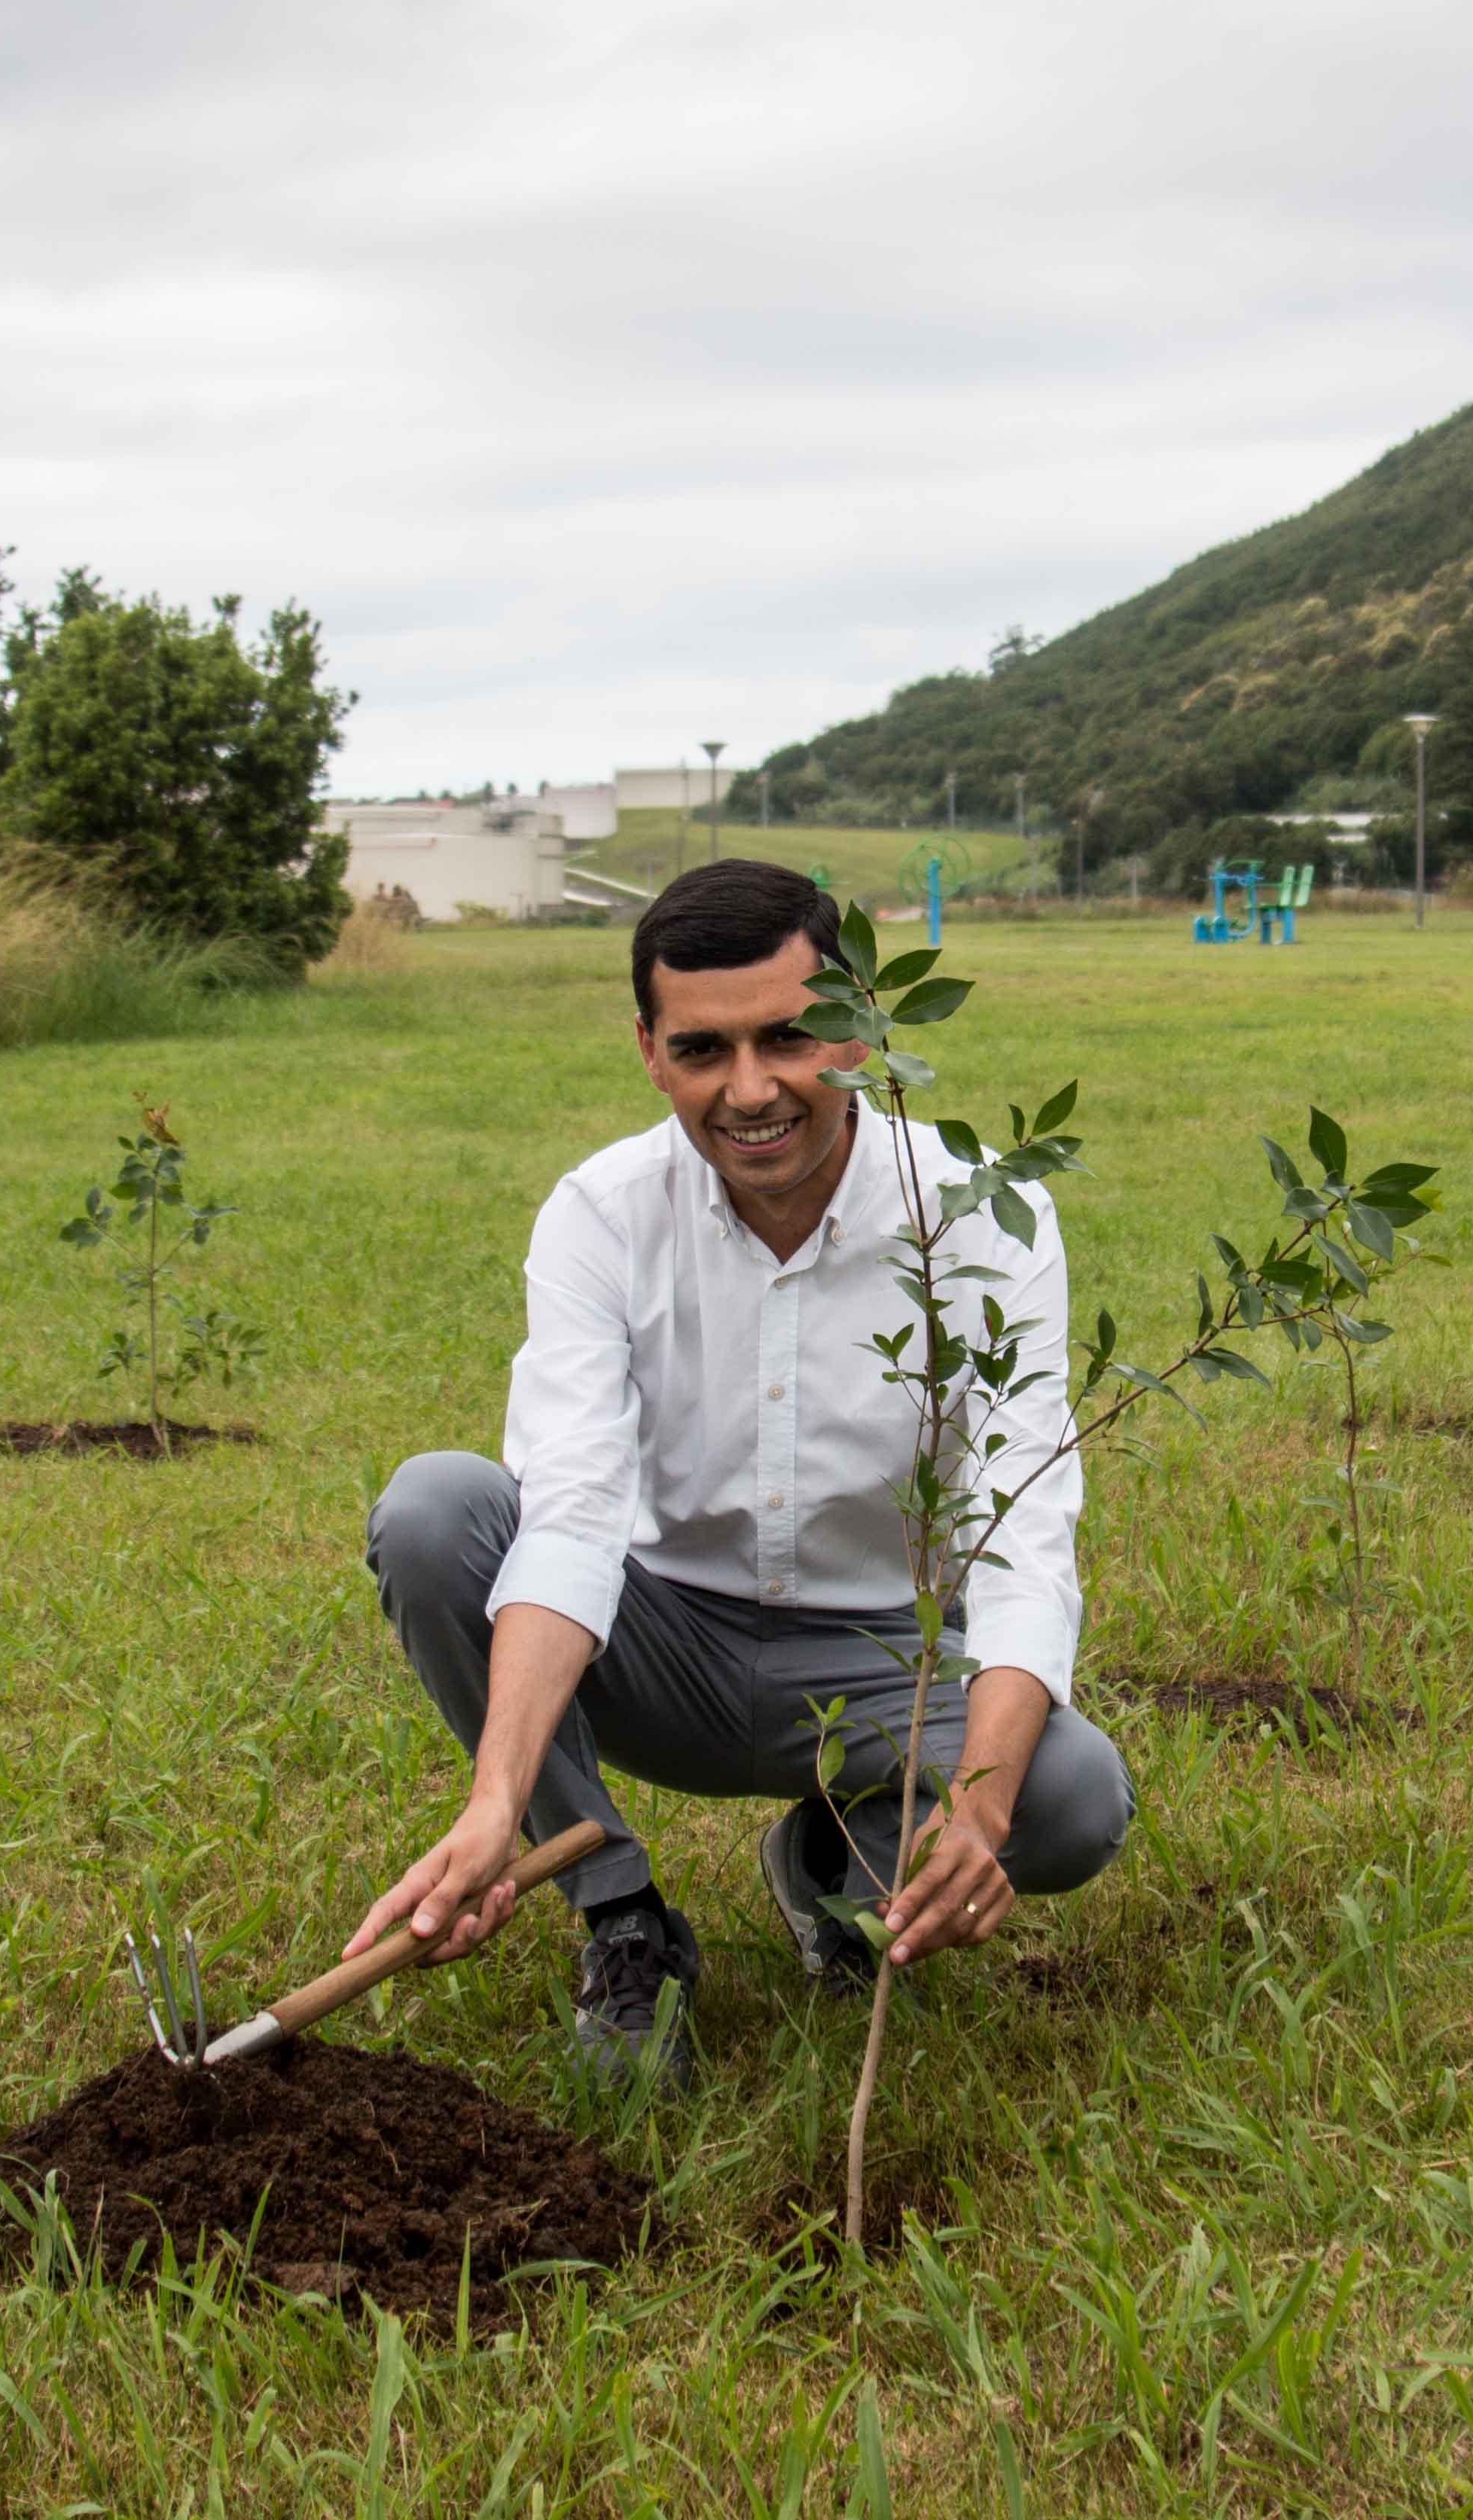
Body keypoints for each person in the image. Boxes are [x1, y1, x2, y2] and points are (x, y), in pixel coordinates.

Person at [349, 859, 1135, 2084]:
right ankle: (621, 1919)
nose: (752, 1089)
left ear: (861, 1031)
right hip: (658, 1643)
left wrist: (977, 1808)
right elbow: (572, 1517)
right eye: (705, 1049)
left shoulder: (981, 1219)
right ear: (651, 1051)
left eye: (790, 1036)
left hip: (879, 1656)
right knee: (438, 1509)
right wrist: (497, 1801)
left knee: (1072, 1794)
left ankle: (831, 1868)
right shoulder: (601, 1215)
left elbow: (1023, 1520)